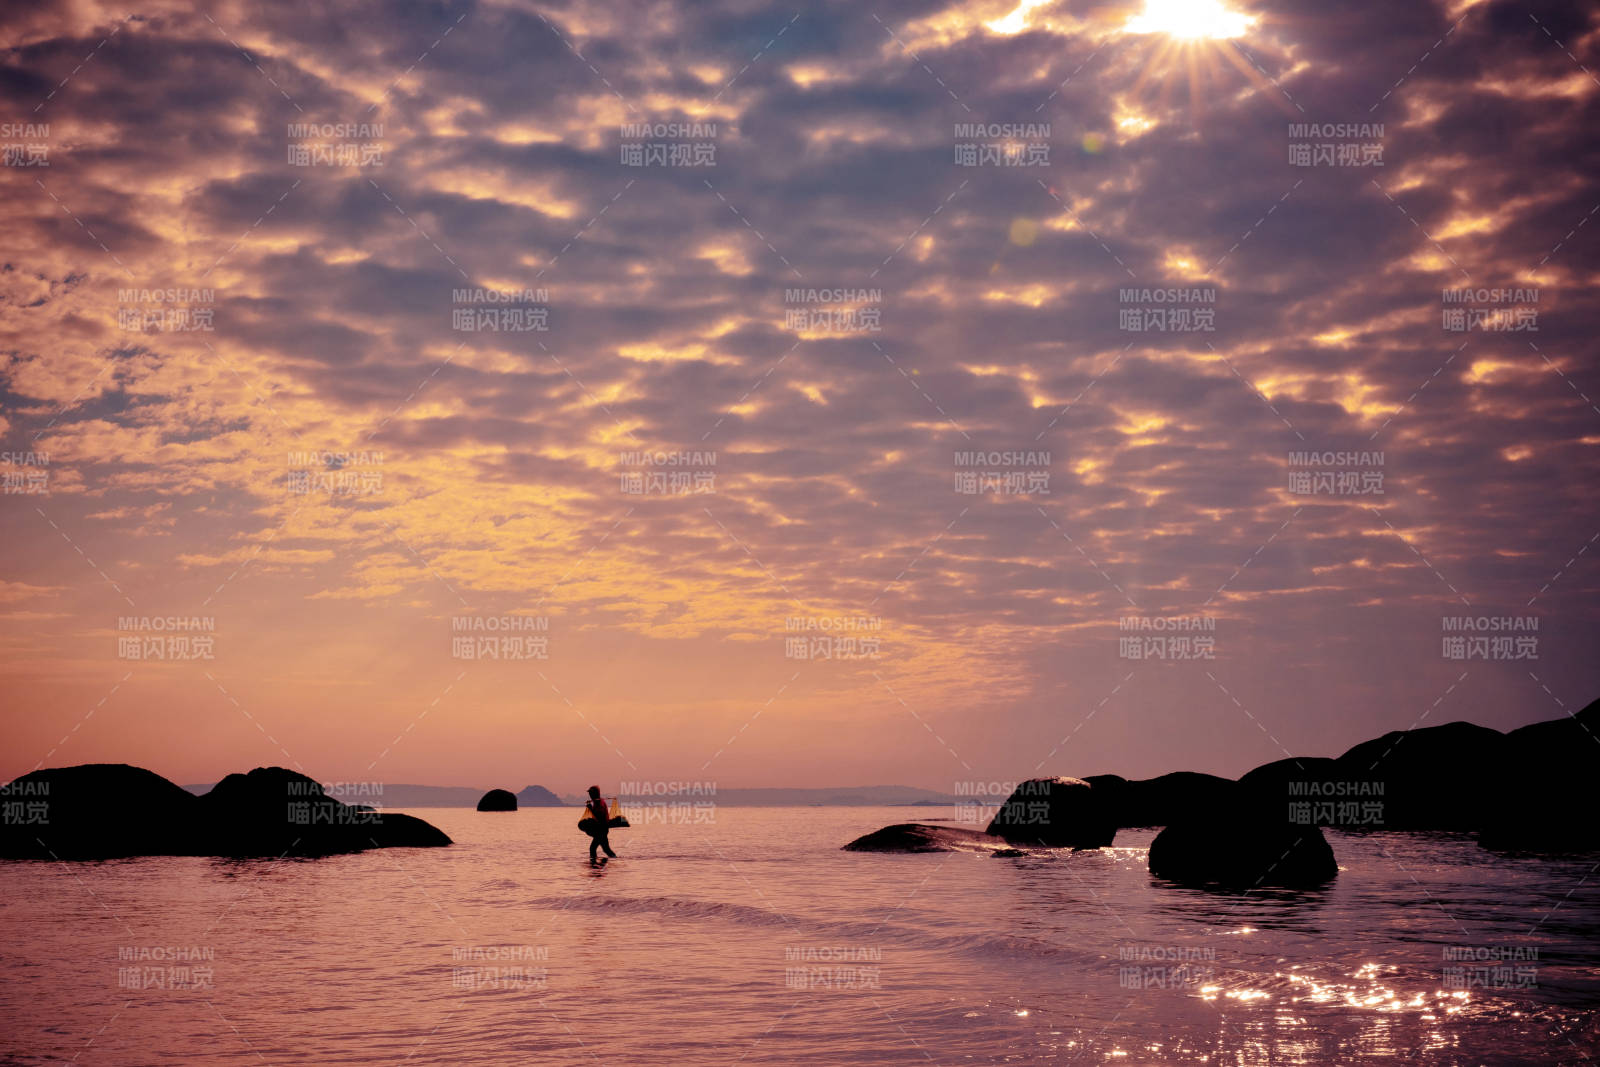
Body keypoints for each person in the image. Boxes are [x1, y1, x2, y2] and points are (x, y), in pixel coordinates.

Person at [585, 785, 617, 866]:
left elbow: (599, 816)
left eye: (591, 793)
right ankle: (612, 860)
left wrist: (590, 809)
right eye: (589, 793)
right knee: (606, 849)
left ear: (595, 794)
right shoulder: (597, 802)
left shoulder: (599, 803)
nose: (590, 795)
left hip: (601, 830)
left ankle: (594, 865)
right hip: (602, 830)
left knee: (593, 848)